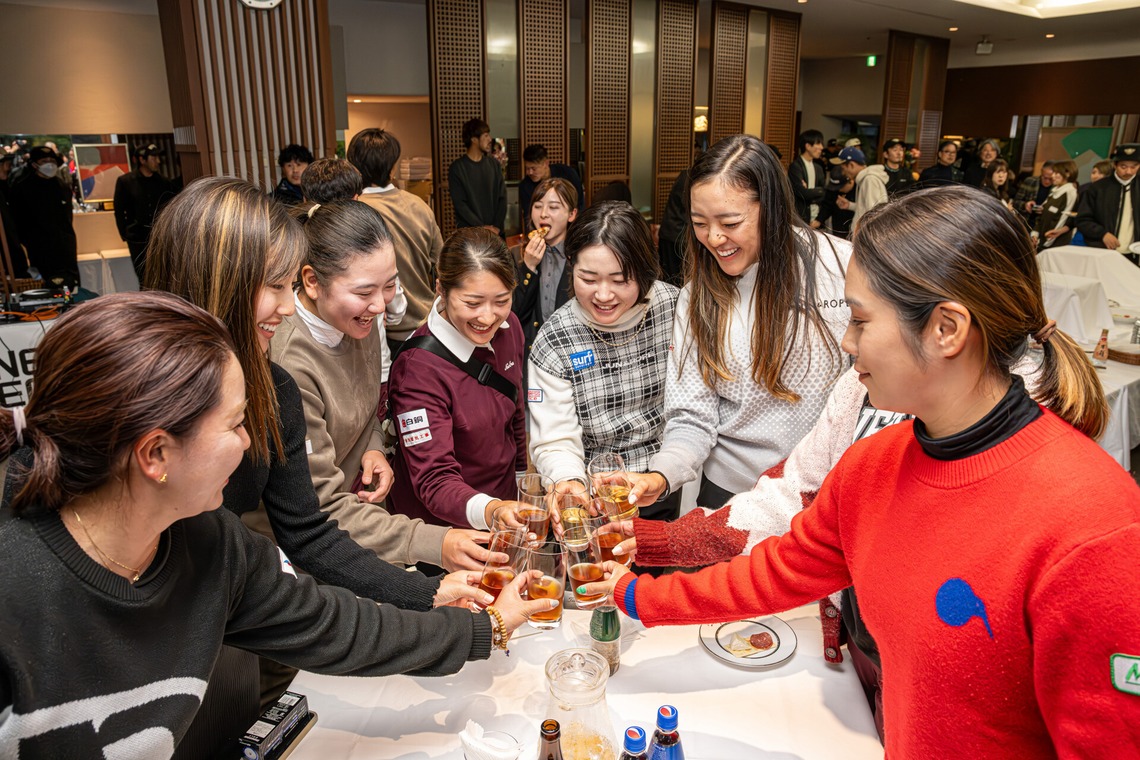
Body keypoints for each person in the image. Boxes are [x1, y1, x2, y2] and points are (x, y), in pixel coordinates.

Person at [585, 185, 1138, 757]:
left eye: (859, 320)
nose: (847, 344)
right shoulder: (876, 461)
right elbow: (778, 569)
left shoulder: (1094, 528)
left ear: (946, 329)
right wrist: (635, 596)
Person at [0, 292, 550, 757]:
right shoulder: (15, 592)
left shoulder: (211, 544)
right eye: (237, 424)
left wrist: (484, 627)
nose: (248, 445)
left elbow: (333, 625)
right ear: (156, 455)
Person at [143, 178, 492, 754]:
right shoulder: (159, 388)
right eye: (274, 286)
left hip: (229, 611)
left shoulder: (266, 385)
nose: (286, 308)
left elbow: (308, 537)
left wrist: (432, 604)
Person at [626, 135, 851, 511]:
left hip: (826, 494)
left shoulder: (841, 267)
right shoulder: (699, 297)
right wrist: (661, 474)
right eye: (699, 223)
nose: (713, 238)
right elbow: (692, 416)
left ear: (773, 208)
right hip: (732, 495)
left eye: (730, 222)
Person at [270, 201, 492, 569]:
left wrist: (373, 446)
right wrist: (436, 541)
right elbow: (318, 506)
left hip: (364, 519)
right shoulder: (290, 364)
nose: (378, 306)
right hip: (312, 548)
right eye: (363, 292)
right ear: (312, 282)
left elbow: (371, 401)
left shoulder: (358, 319)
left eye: (389, 285)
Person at [527, 201, 682, 521]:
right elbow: (554, 437)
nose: (603, 295)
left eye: (620, 279)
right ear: (572, 266)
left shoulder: (675, 309)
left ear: (643, 271)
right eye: (589, 278)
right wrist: (567, 480)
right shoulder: (556, 338)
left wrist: (665, 474)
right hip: (594, 494)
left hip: (666, 477)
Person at [388, 228, 526, 530]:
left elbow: (514, 408)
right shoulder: (418, 369)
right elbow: (434, 480)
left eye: (501, 301)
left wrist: (522, 478)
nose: (488, 318)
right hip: (446, 529)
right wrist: (491, 511)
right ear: (441, 288)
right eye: (472, 303)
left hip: (505, 509)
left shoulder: (510, 326)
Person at [348, 128, 442, 345]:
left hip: (378, 330)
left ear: (355, 167)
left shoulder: (355, 211)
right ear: (392, 167)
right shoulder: (419, 205)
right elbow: (442, 262)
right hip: (427, 324)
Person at [513, 177, 579, 352]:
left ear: (572, 214)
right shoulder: (517, 254)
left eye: (554, 207)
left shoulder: (581, 257)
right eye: (537, 206)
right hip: (533, 351)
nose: (543, 214)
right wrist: (528, 266)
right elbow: (513, 314)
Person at [8, 145, 79, 287]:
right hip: (40, 250)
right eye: (44, 161)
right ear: (34, 164)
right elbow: (18, 223)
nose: (49, 164)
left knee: (71, 287)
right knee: (47, 289)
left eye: (52, 160)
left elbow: (67, 219)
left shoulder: (62, 186)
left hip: (66, 249)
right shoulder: (22, 188)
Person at [113, 143, 175, 283]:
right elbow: (118, 210)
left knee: (162, 276)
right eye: (153, 158)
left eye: (158, 157)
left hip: (159, 238)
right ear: (142, 160)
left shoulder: (163, 182)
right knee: (144, 277)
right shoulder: (125, 182)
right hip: (137, 238)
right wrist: (125, 233)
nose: (157, 161)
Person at [1076, 143, 1140, 263]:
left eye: (1134, 166)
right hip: (1103, 252)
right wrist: (1102, 234)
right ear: (1114, 165)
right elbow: (1082, 220)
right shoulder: (1098, 188)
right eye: (1123, 166)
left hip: (1134, 254)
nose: (1129, 171)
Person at [448, 118, 507, 236]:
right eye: (486, 135)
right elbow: (461, 205)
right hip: (471, 234)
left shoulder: (494, 165)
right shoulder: (457, 168)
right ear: (474, 139)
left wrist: (495, 227)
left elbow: (502, 198)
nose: (490, 139)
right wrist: (482, 228)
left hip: (496, 233)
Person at [519, 144, 585, 220]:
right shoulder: (525, 186)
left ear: (546, 163)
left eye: (534, 168)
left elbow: (579, 203)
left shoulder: (568, 173)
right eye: (527, 168)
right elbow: (528, 216)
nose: (530, 172)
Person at [1033, 159, 1079, 250]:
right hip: (1042, 242)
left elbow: (1064, 219)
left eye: (1057, 173)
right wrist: (1035, 233)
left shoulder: (1070, 193)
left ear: (1067, 174)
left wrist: (1046, 242)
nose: (1053, 176)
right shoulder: (1054, 191)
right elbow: (1041, 214)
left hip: (1053, 245)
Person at [655, 169, 689, 287]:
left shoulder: (686, 174)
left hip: (669, 231)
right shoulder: (691, 177)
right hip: (678, 235)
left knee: (668, 275)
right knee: (677, 278)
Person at [788, 129, 827, 228]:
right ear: (808, 146)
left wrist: (811, 191)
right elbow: (802, 193)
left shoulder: (818, 168)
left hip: (816, 218)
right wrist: (817, 191)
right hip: (802, 218)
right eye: (818, 143)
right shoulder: (796, 166)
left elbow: (825, 192)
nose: (821, 147)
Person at [841, 147, 889, 227]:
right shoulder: (864, 179)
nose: (843, 173)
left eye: (843, 168)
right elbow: (866, 208)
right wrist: (850, 205)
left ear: (851, 165)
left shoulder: (870, 180)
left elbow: (875, 214)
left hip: (865, 235)